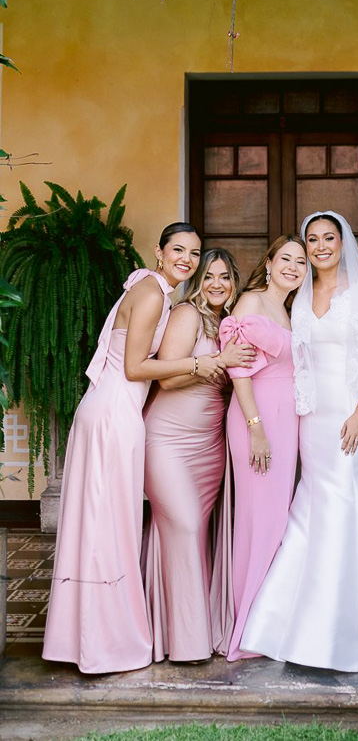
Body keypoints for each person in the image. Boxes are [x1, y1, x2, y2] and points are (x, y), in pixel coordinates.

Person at [43, 223, 224, 674]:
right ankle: (102, 641)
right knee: (107, 526)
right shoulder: (151, 294)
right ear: (159, 251)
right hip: (114, 414)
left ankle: (88, 636)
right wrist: (199, 362)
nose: (187, 259)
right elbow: (135, 367)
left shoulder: (154, 288)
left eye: (194, 252)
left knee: (103, 524)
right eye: (178, 249)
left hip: (114, 411)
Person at [241, 211, 358, 672]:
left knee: (346, 492)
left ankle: (347, 627)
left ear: (343, 244)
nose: (320, 246)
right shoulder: (300, 293)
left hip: (354, 410)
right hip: (313, 415)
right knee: (314, 498)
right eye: (312, 239)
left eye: (329, 238)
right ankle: (289, 618)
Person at [142, 248, 256, 663]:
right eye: (209, 276)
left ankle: (177, 632)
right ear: (198, 281)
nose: (217, 284)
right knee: (185, 525)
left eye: (224, 277)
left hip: (209, 447)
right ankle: (186, 643)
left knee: (189, 536)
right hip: (169, 440)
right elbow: (167, 379)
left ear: (234, 282)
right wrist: (217, 360)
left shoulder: (232, 323)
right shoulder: (187, 314)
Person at [220, 235, 307, 662]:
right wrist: (255, 428)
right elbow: (238, 368)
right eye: (285, 258)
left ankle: (266, 621)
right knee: (258, 520)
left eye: (301, 261)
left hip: (286, 421)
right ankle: (246, 628)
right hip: (257, 418)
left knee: (276, 519)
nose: (293, 266)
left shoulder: (291, 310)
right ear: (269, 263)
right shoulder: (251, 301)